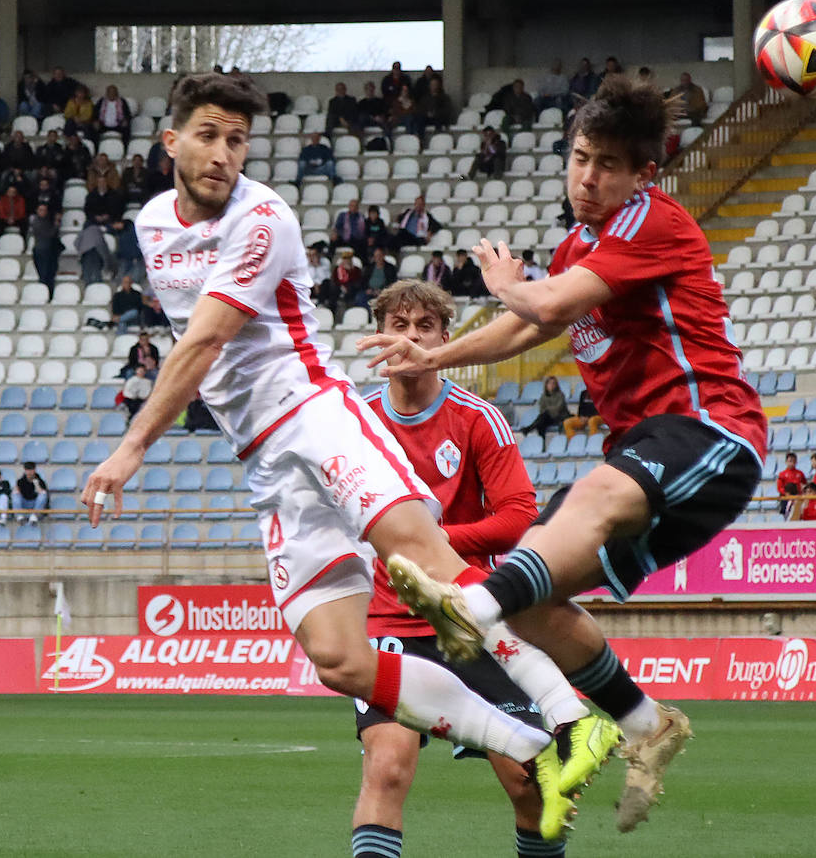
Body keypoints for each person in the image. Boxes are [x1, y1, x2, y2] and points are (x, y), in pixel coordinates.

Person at [80, 73, 588, 815]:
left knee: (426, 558)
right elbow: (202, 346)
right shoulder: (153, 224)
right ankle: (525, 742)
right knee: (341, 659)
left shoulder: (263, 218)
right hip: (263, 459)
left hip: (315, 415)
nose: (225, 153)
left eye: (238, 140)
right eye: (210, 135)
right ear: (172, 142)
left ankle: (566, 715)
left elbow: (206, 340)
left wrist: (131, 448)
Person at [359, 74, 766, 833]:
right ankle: (647, 724)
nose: (588, 177)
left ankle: (466, 609)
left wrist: (508, 282)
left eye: (608, 164)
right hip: (645, 450)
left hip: (707, 431)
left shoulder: (654, 220)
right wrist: (430, 361)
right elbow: (529, 331)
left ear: (643, 173)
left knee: (580, 508)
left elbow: (539, 307)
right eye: (580, 157)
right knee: (541, 601)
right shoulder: (585, 243)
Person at [354, 280, 614, 851]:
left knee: (528, 784)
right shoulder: (355, 425)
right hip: (392, 623)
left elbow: (519, 515)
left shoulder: (478, 420)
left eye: (424, 327)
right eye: (398, 325)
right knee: (387, 769)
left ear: (445, 339)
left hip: (474, 618)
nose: (409, 338)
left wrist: (431, 539)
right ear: (379, 333)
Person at [28, 203, 62, 290]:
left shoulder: (47, 220)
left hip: (49, 250)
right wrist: (56, 224)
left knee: (50, 275)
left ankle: (49, 292)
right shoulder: (36, 222)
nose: (43, 212)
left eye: (44, 210)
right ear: (37, 211)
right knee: (44, 275)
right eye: (41, 210)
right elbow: (49, 234)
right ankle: (44, 292)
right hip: (41, 251)